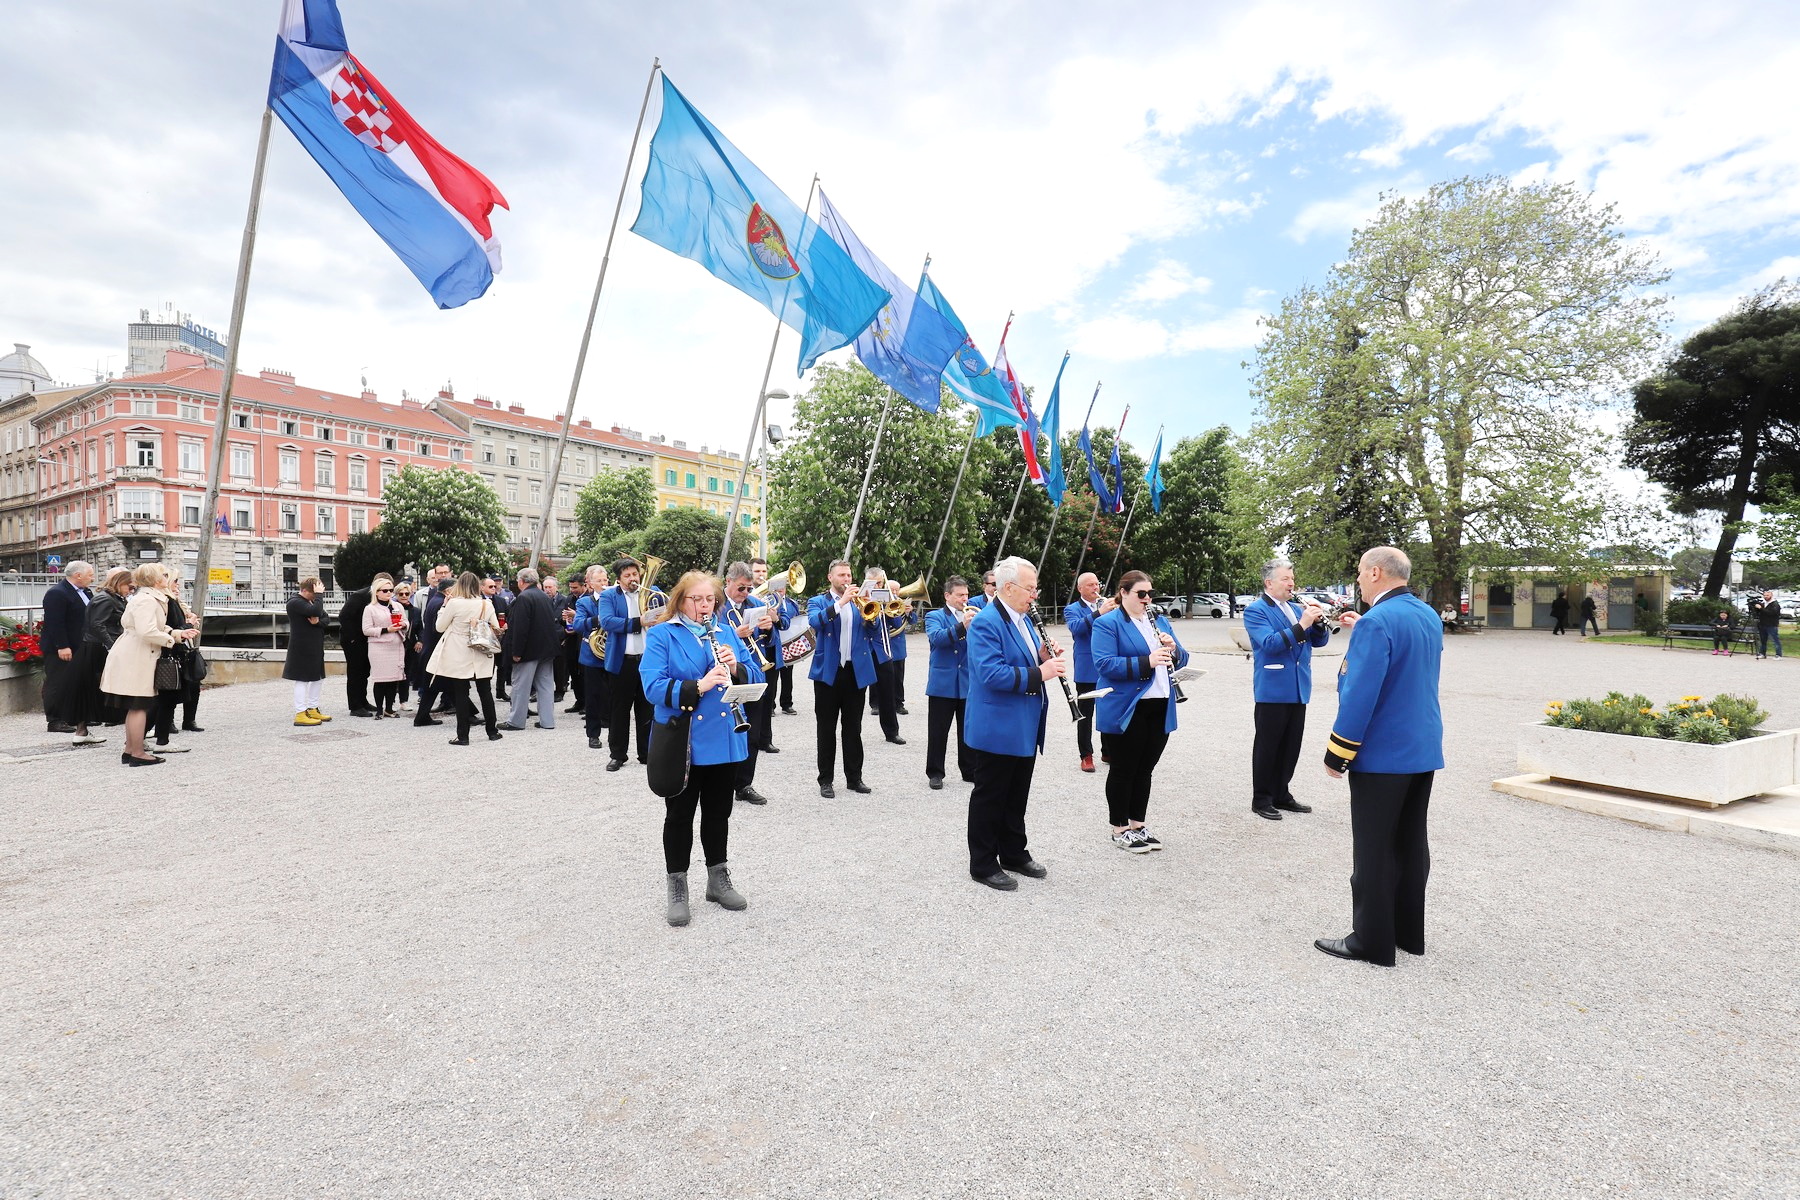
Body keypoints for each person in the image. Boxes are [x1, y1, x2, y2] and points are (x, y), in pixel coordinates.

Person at [1317, 546, 1444, 967]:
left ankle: (1371, 940)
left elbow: (1360, 694)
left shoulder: (1377, 622)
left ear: (1375, 573)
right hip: (1421, 748)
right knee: (1410, 845)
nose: (1356, 580)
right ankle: (1406, 932)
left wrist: (1338, 752)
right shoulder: (1425, 614)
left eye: (1358, 573)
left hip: (1382, 754)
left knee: (1373, 850)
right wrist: (1365, 628)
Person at [640, 570, 763, 927]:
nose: (704, 606)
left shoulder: (725, 632)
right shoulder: (663, 634)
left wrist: (736, 665)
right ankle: (677, 885)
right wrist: (699, 684)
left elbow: (755, 673)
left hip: (725, 738)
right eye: (696, 599)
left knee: (718, 812)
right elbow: (652, 686)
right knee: (679, 816)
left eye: (709, 599)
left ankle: (717, 878)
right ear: (680, 600)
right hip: (685, 740)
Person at [963, 556, 1061, 891]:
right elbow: (991, 673)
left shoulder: (1023, 619)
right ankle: (983, 863)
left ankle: (1013, 852)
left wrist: (1043, 657)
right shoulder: (987, 622)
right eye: (1030, 588)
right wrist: (1041, 673)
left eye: (1035, 588)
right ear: (1008, 587)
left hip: (1022, 722)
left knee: (1016, 793)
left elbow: (1022, 658)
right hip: (998, 725)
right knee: (991, 795)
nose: (1035, 595)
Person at [1092, 571, 1192, 851]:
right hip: (1127, 705)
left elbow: (1183, 656)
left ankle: (1138, 824)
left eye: (1150, 594)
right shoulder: (1107, 623)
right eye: (1141, 594)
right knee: (1125, 768)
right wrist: (1146, 660)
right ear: (1123, 593)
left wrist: (1173, 650)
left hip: (1160, 702)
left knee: (1145, 769)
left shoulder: (1158, 620)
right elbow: (1104, 664)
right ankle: (1119, 828)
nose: (1147, 599)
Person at [1242, 558, 1333, 821]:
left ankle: (1281, 792)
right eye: (1285, 579)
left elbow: (1319, 641)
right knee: (1268, 745)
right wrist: (1303, 624)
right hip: (1273, 687)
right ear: (1269, 582)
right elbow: (1269, 644)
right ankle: (1261, 798)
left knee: (1291, 745)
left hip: (1298, 685)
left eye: (1292, 578)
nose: (1291, 583)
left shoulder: (1295, 608)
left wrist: (1317, 624)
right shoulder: (1256, 610)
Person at [101, 563, 194, 765]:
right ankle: (137, 753)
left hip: (136, 653)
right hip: (136, 655)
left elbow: (155, 627)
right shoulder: (147, 600)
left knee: (136, 706)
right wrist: (172, 639)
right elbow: (147, 631)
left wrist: (177, 634)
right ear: (155, 580)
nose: (167, 579)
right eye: (164, 575)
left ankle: (131, 750)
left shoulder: (148, 598)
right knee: (138, 705)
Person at [808, 559, 878, 798]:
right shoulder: (818, 601)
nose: (846, 579)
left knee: (853, 729)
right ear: (831, 578)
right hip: (829, 673)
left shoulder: (862, 601)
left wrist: (871, 617)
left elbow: (874, 631)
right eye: (841, 575)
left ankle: (854, 778)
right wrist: (841, 603)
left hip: (855, 672)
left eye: (848, 575)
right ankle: (825, 780)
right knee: (826, 729)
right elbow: (814, 622)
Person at [721, 561, 781, 805]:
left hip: (752, 671)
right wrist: (734, 635)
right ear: (728, 582)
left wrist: (769, 627)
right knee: (726, 730)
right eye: (741, 588)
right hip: (724, 675)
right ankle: (722, 782)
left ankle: (744, 784)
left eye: (748, 588)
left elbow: (771, 640)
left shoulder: (756, 604)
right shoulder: (715, 605)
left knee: (752, 733)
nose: (745, 594)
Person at [428, 571, 504, 745]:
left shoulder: (454, 603)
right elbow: (496, 626)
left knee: (461, 693)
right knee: (485, 692)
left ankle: (463, 735)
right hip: (481, 649)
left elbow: (439, 627)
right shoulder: (486, 603)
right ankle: (492, 731)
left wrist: (444, 607)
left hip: (459, 650)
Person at [601, 558, 663, 770]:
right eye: (627, 575)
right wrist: (639, 622)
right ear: (618, 579)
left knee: (647, 709)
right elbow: (607, 621)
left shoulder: (652, 591)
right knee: (619, 711)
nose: (632, 579)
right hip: (623, 661)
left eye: (635, 574)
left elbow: (668, 613)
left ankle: (647, 753)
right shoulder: (609, 595)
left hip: (648, 660)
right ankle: (618, 754)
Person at [70, 567, 134, 746]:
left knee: (94, 689)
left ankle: (82, 731)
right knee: (96, 689)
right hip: (98, 649)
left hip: (99, 647)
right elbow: (97, 625)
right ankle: (135, 729)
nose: (131, 591)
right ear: (120, 584)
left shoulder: (110, 598)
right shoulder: (106, 599)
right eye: (129, 587)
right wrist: (112, 646)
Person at [924, 576, 976, 790]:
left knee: (968, 730)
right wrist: (962, 626)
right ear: (947, 596)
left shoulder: (975, 615)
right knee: (938, 731)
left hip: (967, 682)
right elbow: (937, 638)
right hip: (942, 682)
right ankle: (935, 773)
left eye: (966, 594)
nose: (965, 599)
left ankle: (969, 770)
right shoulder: (934, 615)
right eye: (960, 595)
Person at [1062, 571, 1115, 772]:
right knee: (1085, 714)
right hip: (1087, 668)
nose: (1096, 588)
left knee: (1108, 709)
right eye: (1091, 585)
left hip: (1108, 666)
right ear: (1080, 588)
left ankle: (1108, 750)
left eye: (1097, 584)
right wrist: (1098, 613)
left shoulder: (1108, 605)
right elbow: (1076, 629)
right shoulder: (1072, 608)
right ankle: (1086, 755)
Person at [40, 560, 95, 734]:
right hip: (63, 647)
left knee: (77, 682)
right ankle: (55, 719)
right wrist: (62, 645)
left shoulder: (85, 591)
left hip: (81, 645)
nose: (92, 578)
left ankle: (76, 716)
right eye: (90, 574)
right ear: (77, 575)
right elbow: (55, 623)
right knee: (57, 682)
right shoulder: (57, 593)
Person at [502, 568, 559, 730]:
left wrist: (516, 652)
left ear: (521, 581)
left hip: (528, 651)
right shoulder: (544, 596)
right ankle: (547, 721)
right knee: (546, 685)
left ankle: (516, 721)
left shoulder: (524, 598)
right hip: (547, 649)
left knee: (521, 685)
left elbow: (520, 628)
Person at [150, 572, 198, 754]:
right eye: (175, 581)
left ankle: (155, 737)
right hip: (170, 654)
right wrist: (189, 625)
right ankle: (158, 739)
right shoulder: (167, 602)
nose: (178, 585)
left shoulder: (169, 601)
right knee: (166, 699)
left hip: (172, 651)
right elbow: (172, 627)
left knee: (167, 699)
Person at [571, 565, 612, 750]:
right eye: (600, 581)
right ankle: (593, 735)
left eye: (606, 580)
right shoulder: (584, 603)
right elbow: (578, 624)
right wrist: (599, 620)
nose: (604, 584)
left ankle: (615, 733)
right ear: (589, 583)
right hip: (593, 656)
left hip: (613, 653)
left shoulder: (615, 598)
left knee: (614, 696)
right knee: (593, 697)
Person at [866, 567, 907, 744]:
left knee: (888, 693)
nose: (878, 586)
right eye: (874, 583)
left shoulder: (888, 597)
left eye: (880, 583)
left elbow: (897, 622)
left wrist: (892, 605)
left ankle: (891, 732)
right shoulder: (859, 597)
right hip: (864, 651)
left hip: (883, 651)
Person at [284, 577, 330, 726]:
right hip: (301, 646)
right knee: (302, 679)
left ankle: (312, 708)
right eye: (314, 593)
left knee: (318, 677)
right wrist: (319, 597)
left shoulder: (310, 602)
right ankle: (300, 713)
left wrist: (318, 623)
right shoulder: (295, 602)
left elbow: (326, 618)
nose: (316, 596)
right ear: (304, 590)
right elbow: (316, 610)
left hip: (314, 645)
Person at [362, 577, 409, 717]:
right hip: (379, 647)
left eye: (391, 590)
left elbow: (406, 621)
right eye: (385, 590)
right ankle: (379, 709)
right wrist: (386, 629)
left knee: (393, 679)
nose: (389, 593)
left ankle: (389, 708)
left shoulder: (397, 606)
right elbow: (366, 630)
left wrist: (403, 625)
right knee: (380, 679)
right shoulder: (370, 608)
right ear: (377, 592)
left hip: (396, 645)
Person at [411, 578, 453, 725]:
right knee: (452, 685)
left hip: (432, 649)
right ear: (448, 591)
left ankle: (422, 717)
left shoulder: (434, 600)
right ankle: (468, 714)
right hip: (436, 650)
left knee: (434, 686)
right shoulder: (441, 603)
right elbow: (438, 628)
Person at [338, 578, 378, 717]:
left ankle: (363, 701)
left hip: (365, 639)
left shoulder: (375, 596)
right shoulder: (359, 596)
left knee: (364, 672)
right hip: (353, 640)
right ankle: (355, 706)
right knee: (355, 673)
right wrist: (353, 637)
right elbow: (344, 616)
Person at [767, 574, 802, 715]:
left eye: (782, 588)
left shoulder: (792, 603)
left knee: (788, 676)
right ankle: (771, 705)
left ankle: (787, 704)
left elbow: (798, 622)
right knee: (773, 677)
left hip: (789, 643)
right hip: (775, 642)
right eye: (777, 588)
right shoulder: (770, 602)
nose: (780, 591)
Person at [561, 573, 588, 714]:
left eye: (575, 587)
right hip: (571, 641)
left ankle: (587, 703)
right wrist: (564, 619)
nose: (573, 590)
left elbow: (592, 619)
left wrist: (575, 615)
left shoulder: (590, 598)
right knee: (573, 672)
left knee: (584, 673)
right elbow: (565, 619)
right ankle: (579, 700)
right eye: (571, 587)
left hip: (583, 640)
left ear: (584, 585)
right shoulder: (569, 599)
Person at [483, 575, 512, 701]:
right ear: (482, 587)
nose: (494, 588)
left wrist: (506, 624)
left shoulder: (500, 600)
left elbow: (508, 615)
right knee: (488, 666)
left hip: (500, 637)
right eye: (491, 586)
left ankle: (501, 690)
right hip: (485, 637)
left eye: (495, 586)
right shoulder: (478, 601)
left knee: (502, 665)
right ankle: (486, 691)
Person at [392, 581, 420, 714]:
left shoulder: (415, 611)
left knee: (406, 674)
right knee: (392, 674)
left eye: (407, 593)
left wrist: (420, 640)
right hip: (394, 644)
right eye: (401, 593)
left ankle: (404, 701)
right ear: (396, 595)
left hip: (409, 645)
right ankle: (390, 702)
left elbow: (420, 628)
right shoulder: (390, 608)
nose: (404, 596)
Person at [1756, 590, 1783, 659]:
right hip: (1763, 624)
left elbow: (1772, 613)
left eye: (1767, 595)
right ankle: (1762, 653)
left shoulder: (1775, 604)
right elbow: (1760, 613)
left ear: (1771, 595)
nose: (1765, 597)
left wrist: (1761, 609)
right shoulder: (1764, 603)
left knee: (1775, 640)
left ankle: (1778, 654)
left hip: (1772, 624)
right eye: (1764, 595)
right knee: (1763, 640)